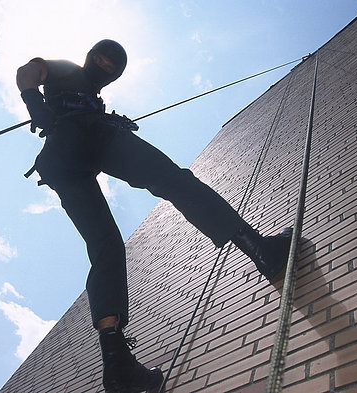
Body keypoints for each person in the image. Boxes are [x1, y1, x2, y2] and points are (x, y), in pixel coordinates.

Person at [16, 39, 293, 393]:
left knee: (106, 246)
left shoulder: (95, 100)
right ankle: (260, 249)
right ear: (88, 56)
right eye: (100, 57)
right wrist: (34, 101)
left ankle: (118, 366)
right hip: (80, 138)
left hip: (63, 159)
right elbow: (28, 72)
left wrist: (107, 119)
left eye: (112, 66)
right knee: (173, 181)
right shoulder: (65, 68)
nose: (104, 65)